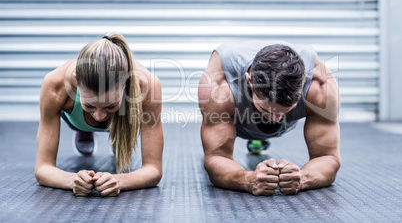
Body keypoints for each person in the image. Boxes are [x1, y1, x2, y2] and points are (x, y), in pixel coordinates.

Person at [198, 40, 341, 196]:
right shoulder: (220, 87)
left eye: (284, 111)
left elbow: (328, 157)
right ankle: (255, 135)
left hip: (277, 117)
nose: (276, 120)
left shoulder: (319, 87)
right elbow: (216, 158)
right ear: (249, 80)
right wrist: (248, 179)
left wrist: (303, 178)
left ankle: (262, 125)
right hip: (240, 119)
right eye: (267, 110)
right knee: (222, 117)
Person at [35, 32, 163, 197]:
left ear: (127, 83)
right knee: (87, 117)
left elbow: (153, 170)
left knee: (121, 122)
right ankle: (84, 129)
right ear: (77, 81)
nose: (99, 116)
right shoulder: (55, 85)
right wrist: (72, 180)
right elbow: (42, 168)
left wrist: (119, 180)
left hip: (125, 116)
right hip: (76, 119)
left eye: (110, 106)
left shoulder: (147, 86)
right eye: (89, 105)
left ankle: (117, 133)